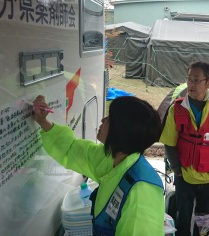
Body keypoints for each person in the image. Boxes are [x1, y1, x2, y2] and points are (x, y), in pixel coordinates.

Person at [32, 95, 165, 236]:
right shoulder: (113, 160)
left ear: (121, 131)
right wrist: (43, 121)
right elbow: (72, 149)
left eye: (109, 119)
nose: (103, 120)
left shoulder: (141, 193)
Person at [160, 61, 209, 236]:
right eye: (189, 79)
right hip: (184, 175)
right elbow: (169, 142)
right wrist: (177, 170)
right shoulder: (177, 107)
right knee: (183, 216)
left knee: (203, 218)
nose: (190, 85)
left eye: (196, 80)